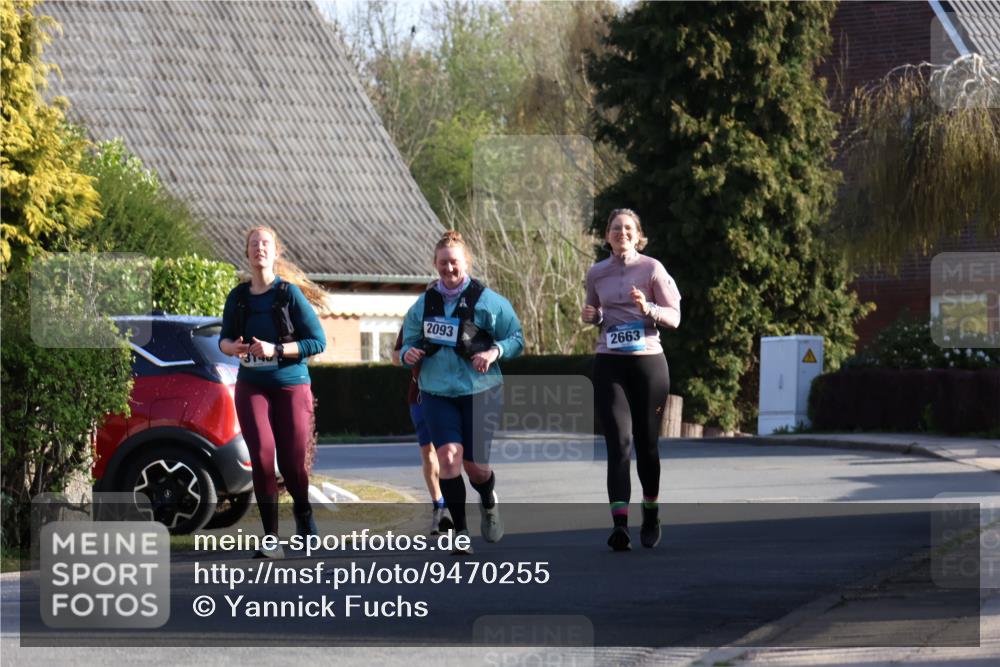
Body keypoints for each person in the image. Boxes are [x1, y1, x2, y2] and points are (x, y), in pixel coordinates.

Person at [400, 231, 524, 554]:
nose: (448, 268)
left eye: (454, 262)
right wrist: (407, 355)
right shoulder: (423, 304)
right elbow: (406, 344)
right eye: (443, 263)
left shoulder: (488, 301)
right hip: (437, 392)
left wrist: (494, 352)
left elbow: (517, 338)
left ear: (465, 262)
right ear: (435, 264)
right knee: (449, 459)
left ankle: (487, 498)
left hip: (480, 390)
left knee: (476, 467)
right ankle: (461, 532)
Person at [219, 226, 327, 559]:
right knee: (263, 460)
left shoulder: (288, 295)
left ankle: (304, 514)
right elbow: (223, 340)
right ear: (247, 253)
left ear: (275, 252)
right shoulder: (237, 298)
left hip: (291, 385)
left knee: (294, 466)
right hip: (252, 386)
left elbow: (318, 342)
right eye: (253, 244)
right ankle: (271, 539)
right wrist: (232, 347)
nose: (259, 249)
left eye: (265, 244)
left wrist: (276, 350)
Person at [582, 208, 681, 551]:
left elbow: (675, 317)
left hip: (648, 365)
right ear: (607, 235)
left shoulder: (652, 268)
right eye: (614, 228)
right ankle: (620, 525)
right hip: (610, 364)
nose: (621, 232)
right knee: (618, 444)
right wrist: (592, 316)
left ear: (638, 235)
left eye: (628, 228)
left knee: (647, 445)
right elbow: (595, 313)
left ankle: (651, 512)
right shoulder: (596, 273)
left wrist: (648, 310)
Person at [391, 325, 453, 535]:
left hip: (454, 394)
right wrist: (408, 354)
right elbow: (395, 356)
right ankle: (439, 506)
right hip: (419, 394)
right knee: (429, 453)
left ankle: (476, 496)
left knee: (452, 454)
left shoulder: (457, 314)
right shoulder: (415, 318)